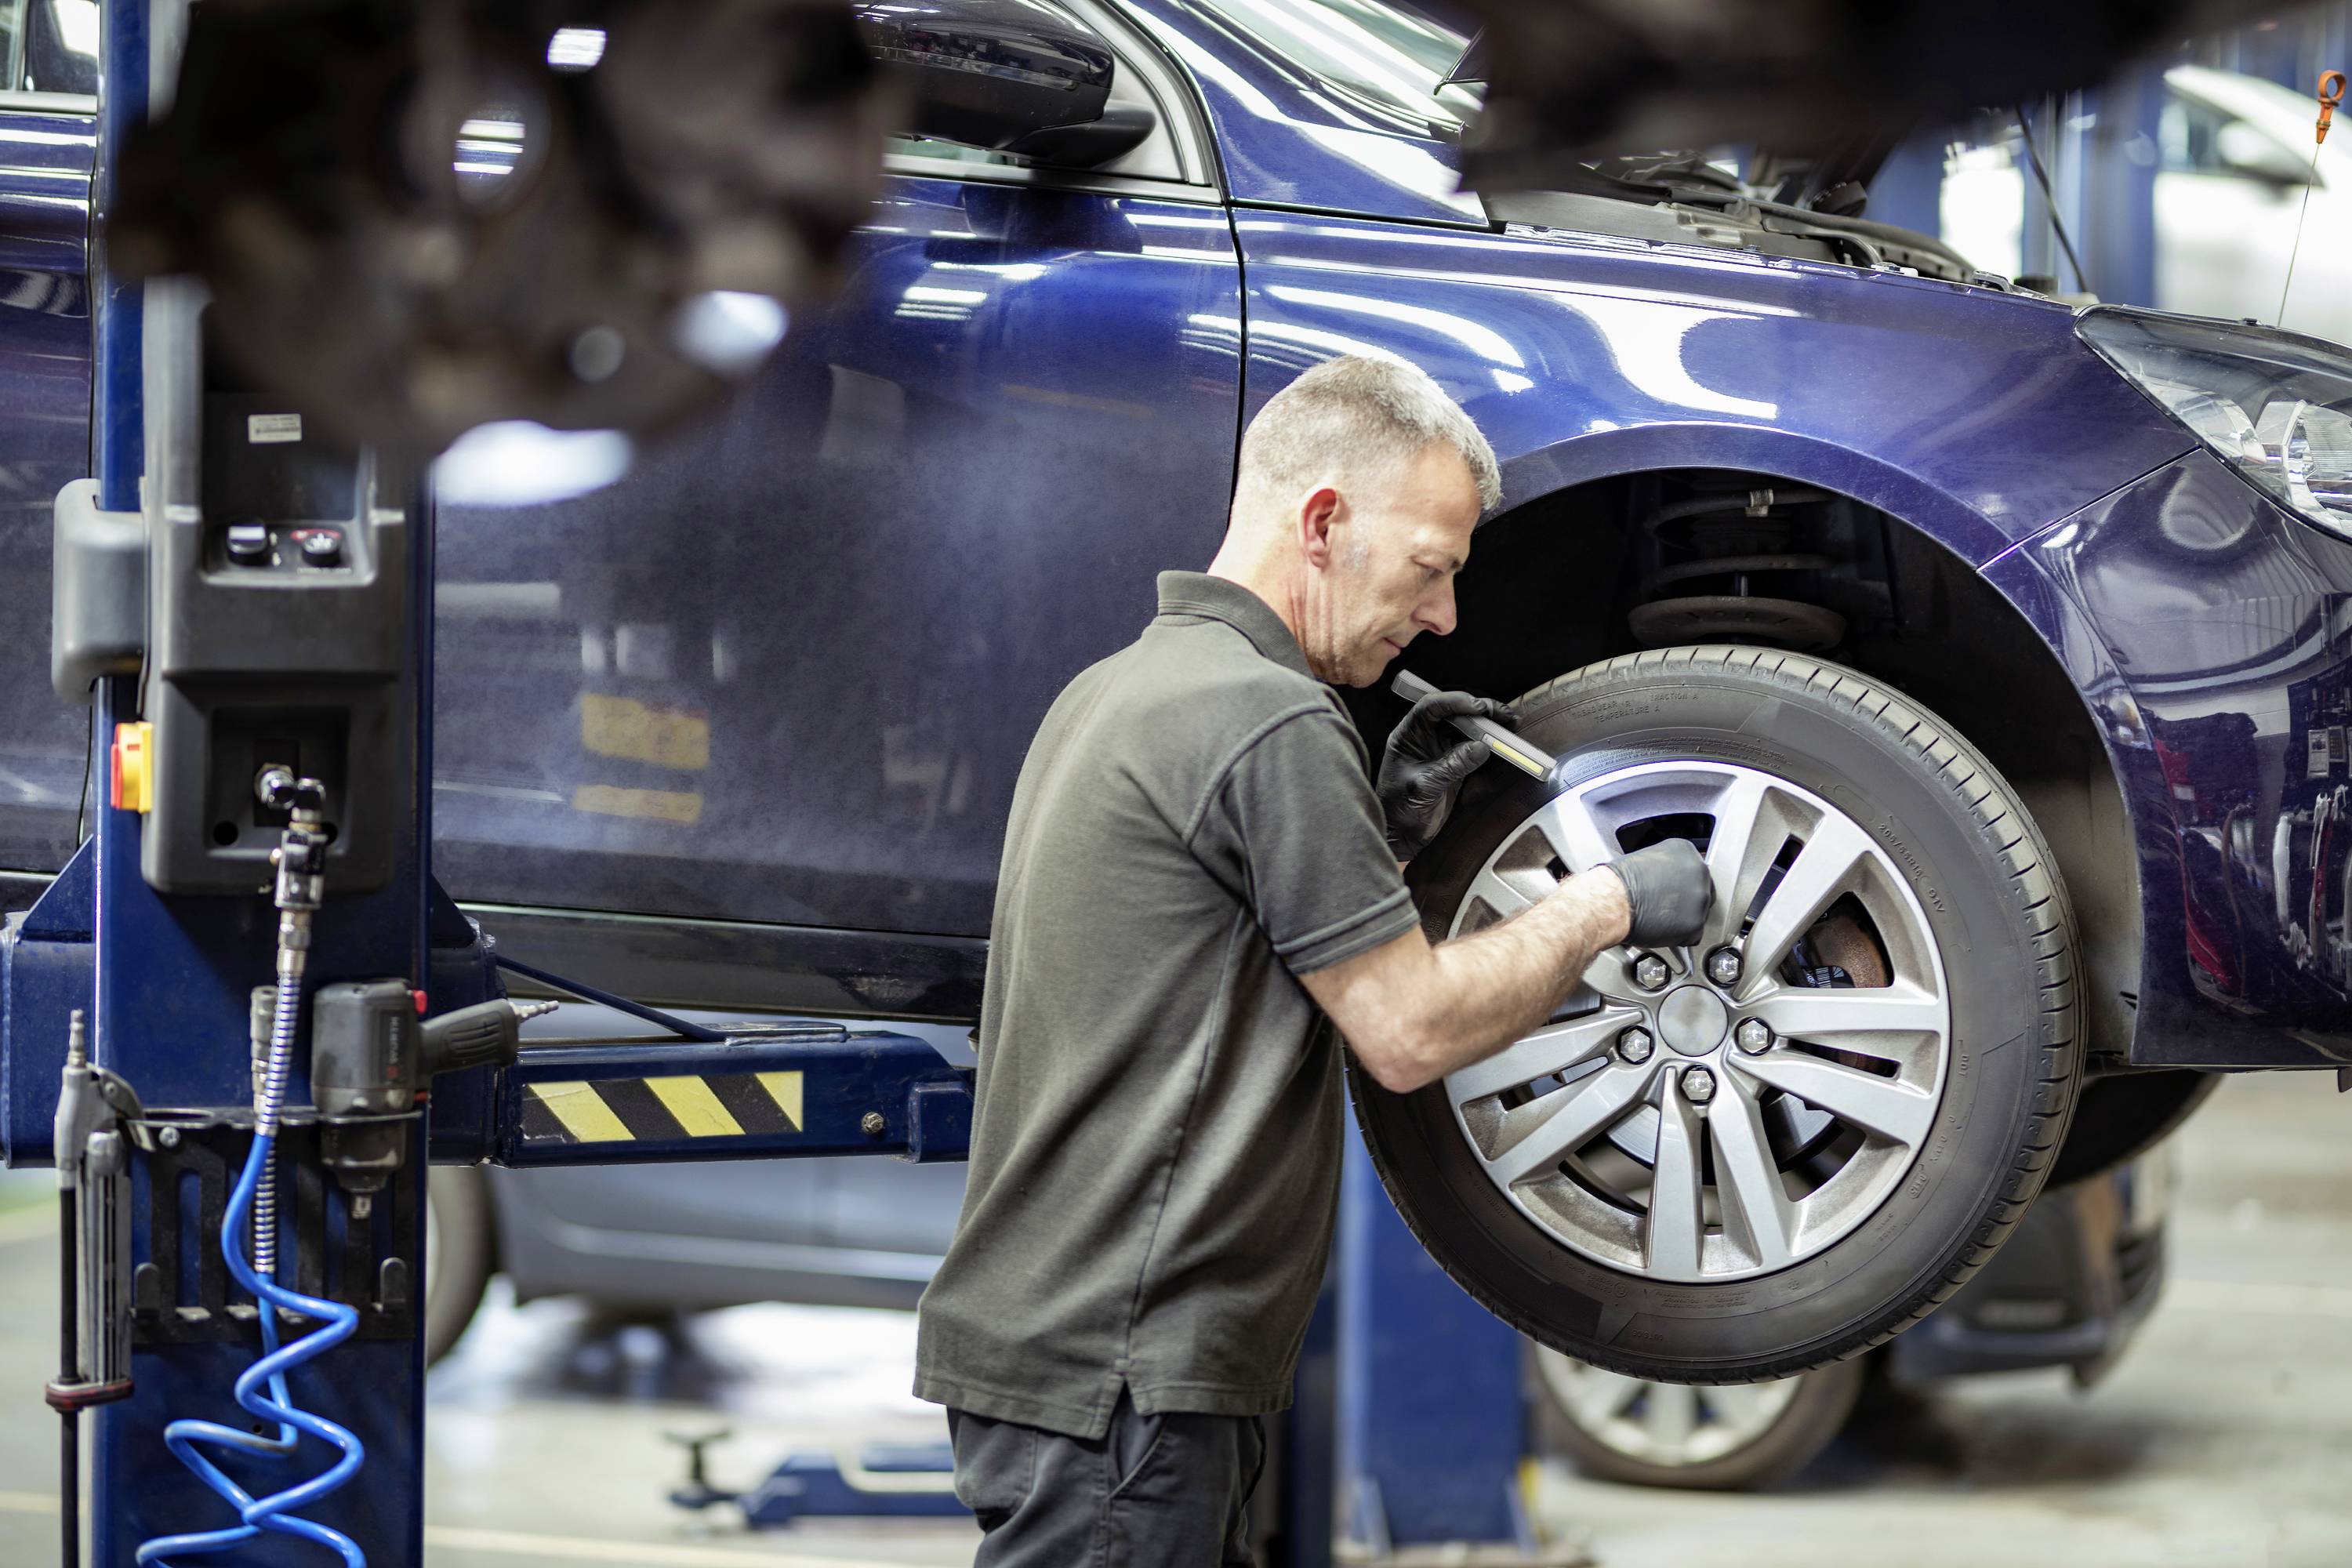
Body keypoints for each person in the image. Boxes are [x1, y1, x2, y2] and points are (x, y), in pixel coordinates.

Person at [913, 356, 1713, 1564]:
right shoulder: (1268, 720)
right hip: (1128, 1373)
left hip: (1079, 1357)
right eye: (1432, 568)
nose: (1442, 616)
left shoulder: (1117, 692)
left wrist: (1376, 838)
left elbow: (1205, 966)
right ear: (1326, 523)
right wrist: (1604, 905)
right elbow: (1408, 1032)